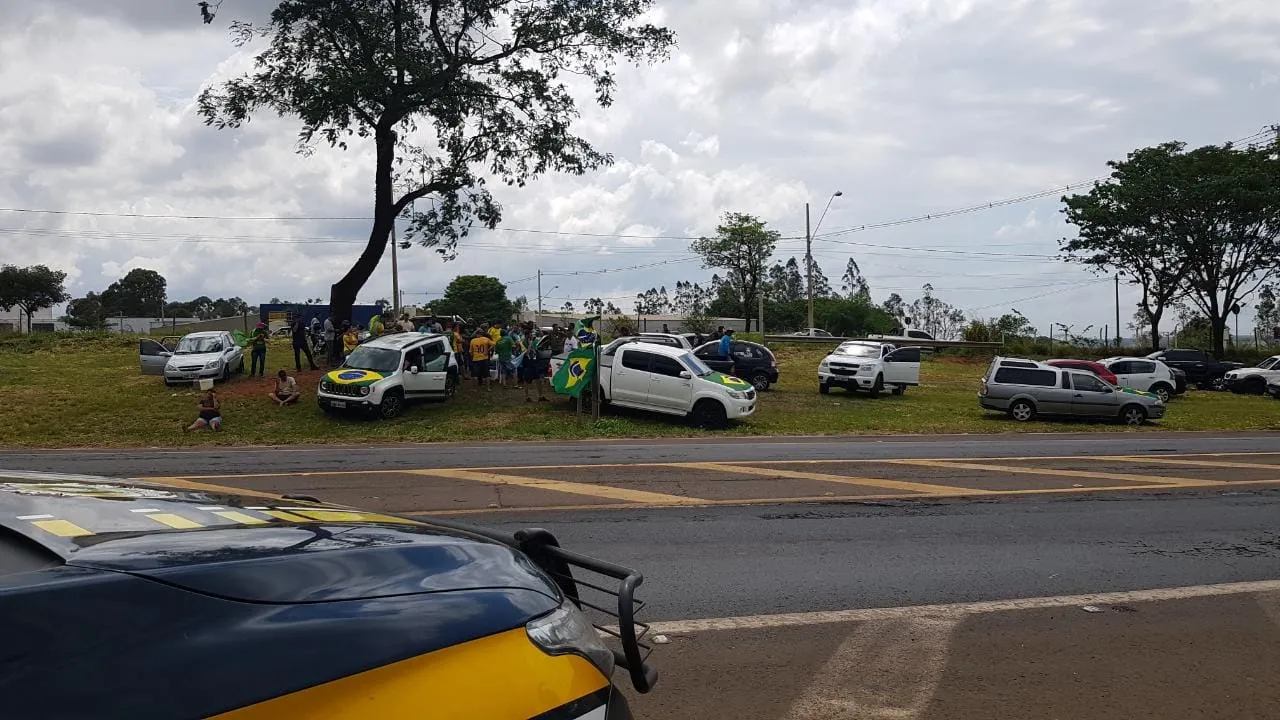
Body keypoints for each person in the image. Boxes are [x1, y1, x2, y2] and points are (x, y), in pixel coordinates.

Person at [523, 328, 552, 402]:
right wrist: (530, 342)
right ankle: (527, 397)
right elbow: (527, 352)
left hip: (534, 361)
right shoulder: (523, 342)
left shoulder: (532, 341)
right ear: (527, 335)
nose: (532, 336)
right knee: (527, 380)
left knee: (538, 379)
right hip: (528, 362)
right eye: (530, 334)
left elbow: (538, 346)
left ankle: (540, 396)